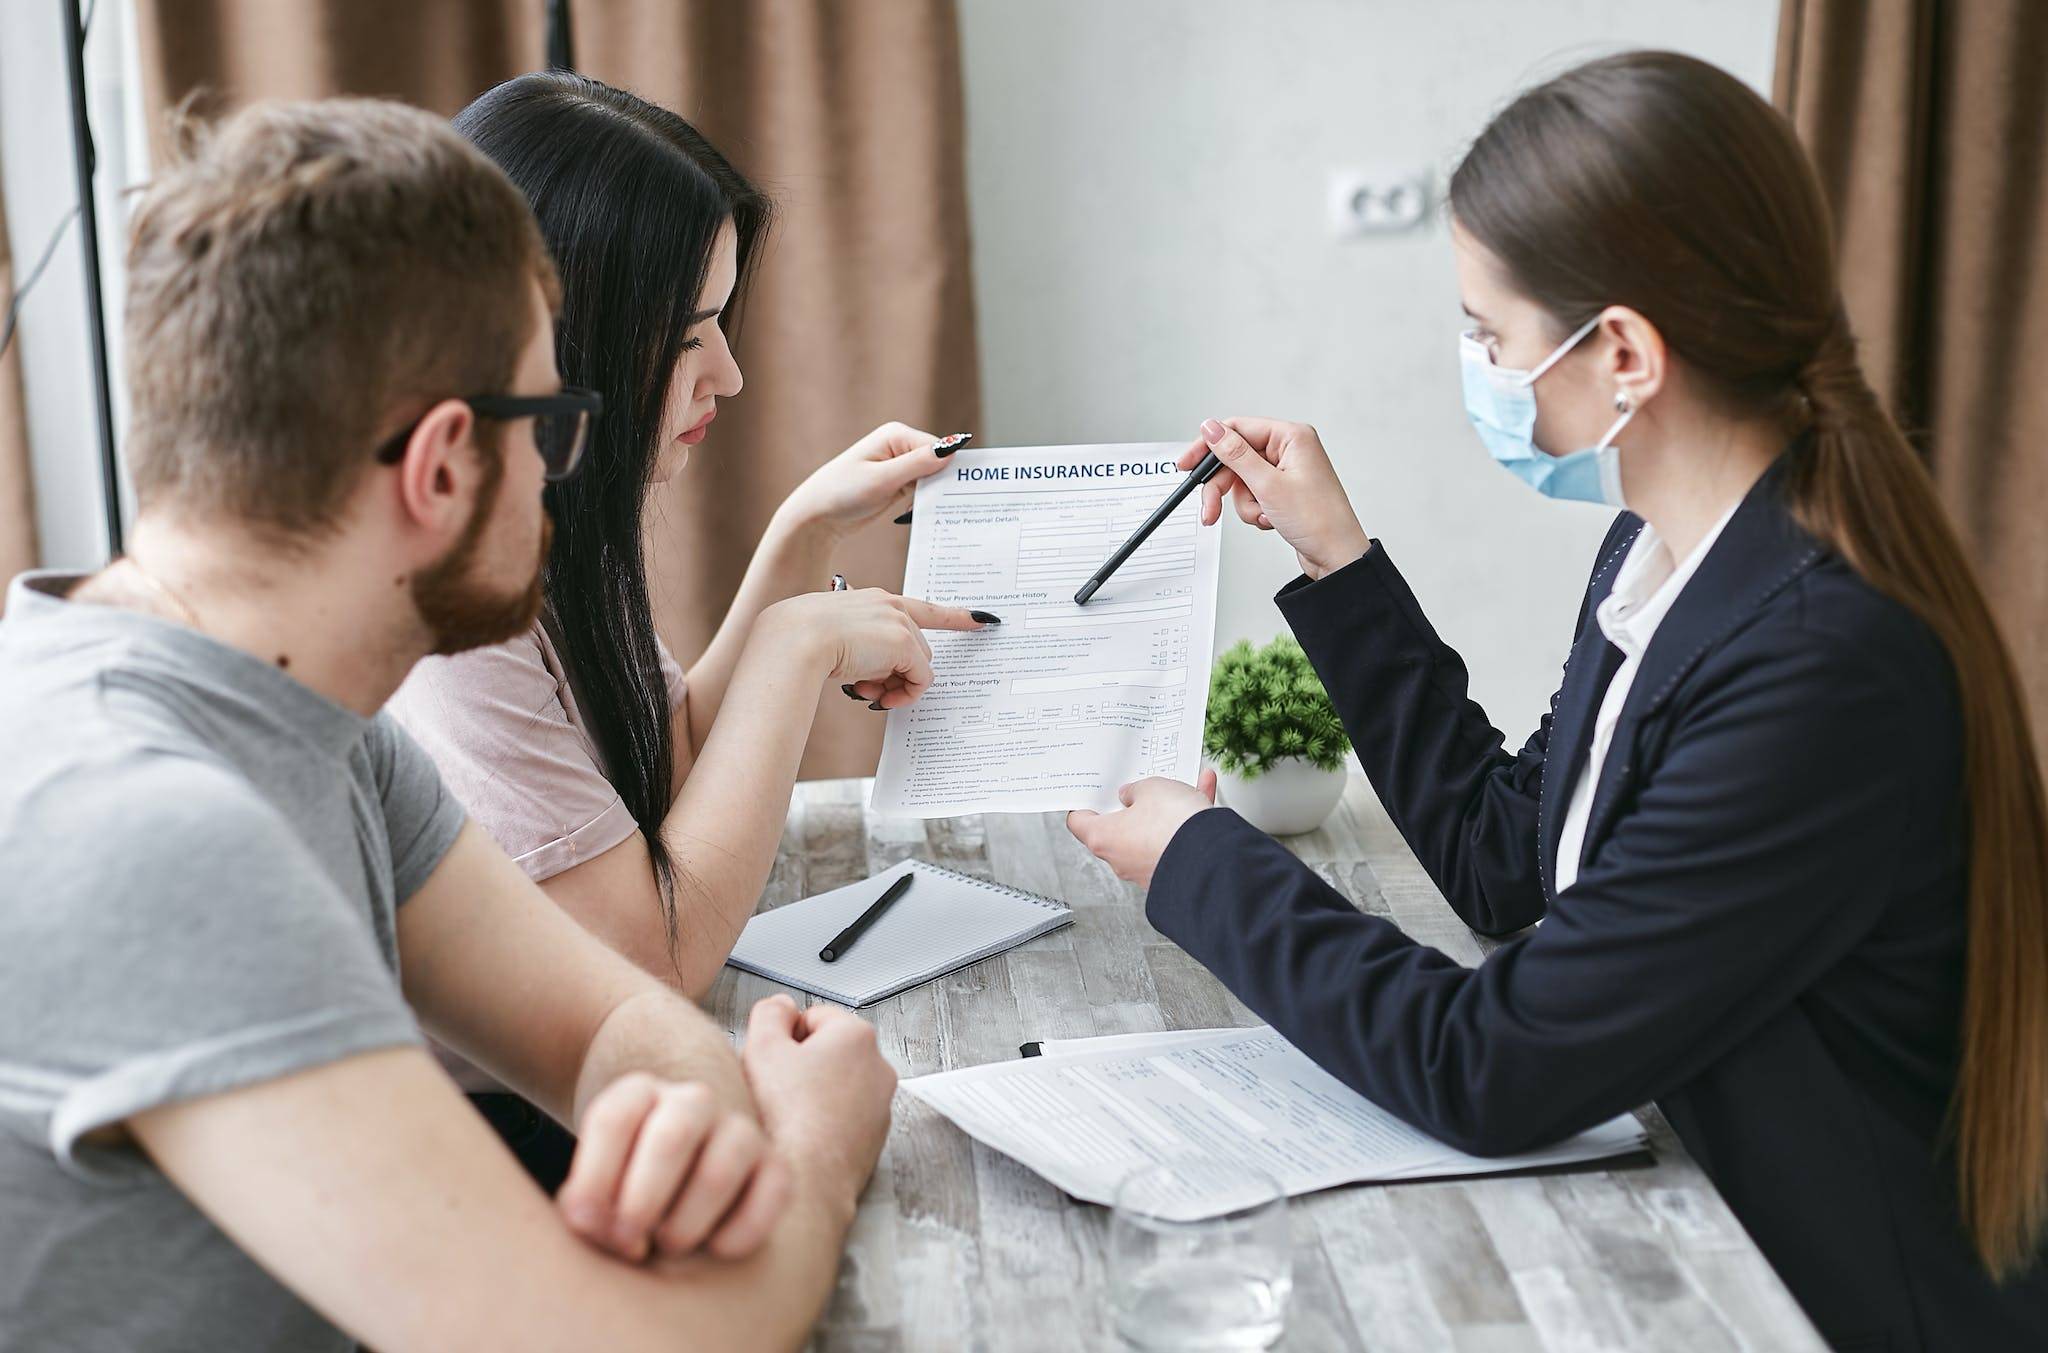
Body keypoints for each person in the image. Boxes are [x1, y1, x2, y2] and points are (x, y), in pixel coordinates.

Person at [1068, 51, 2048, 1347]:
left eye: (1490, 335)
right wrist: (1336, 559)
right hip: (1697, 1208)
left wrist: (1205, 862)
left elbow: (1495, 1065)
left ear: (1625, 352)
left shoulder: (1821, 666)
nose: (1476, 365)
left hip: (1831, 1296)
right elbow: (1509, 859)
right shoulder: (1667, 552)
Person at [0, 98, 902, 1353]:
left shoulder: (317, 718)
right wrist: (814, 1141)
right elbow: (606, 1341)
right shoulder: (150, 833)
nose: (561, 473)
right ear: (438, 470)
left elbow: (614, 1019)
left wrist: (688, 1112)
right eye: (553, 423)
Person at [384, 72, 992, 1188]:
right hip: (492, 1138)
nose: (731, 375)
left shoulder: (555, 524)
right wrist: (797, 645)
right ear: (564, 338)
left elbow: (654, 777)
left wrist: (801, 531)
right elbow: (649, 962)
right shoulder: (454, 617)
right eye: (686, 337)